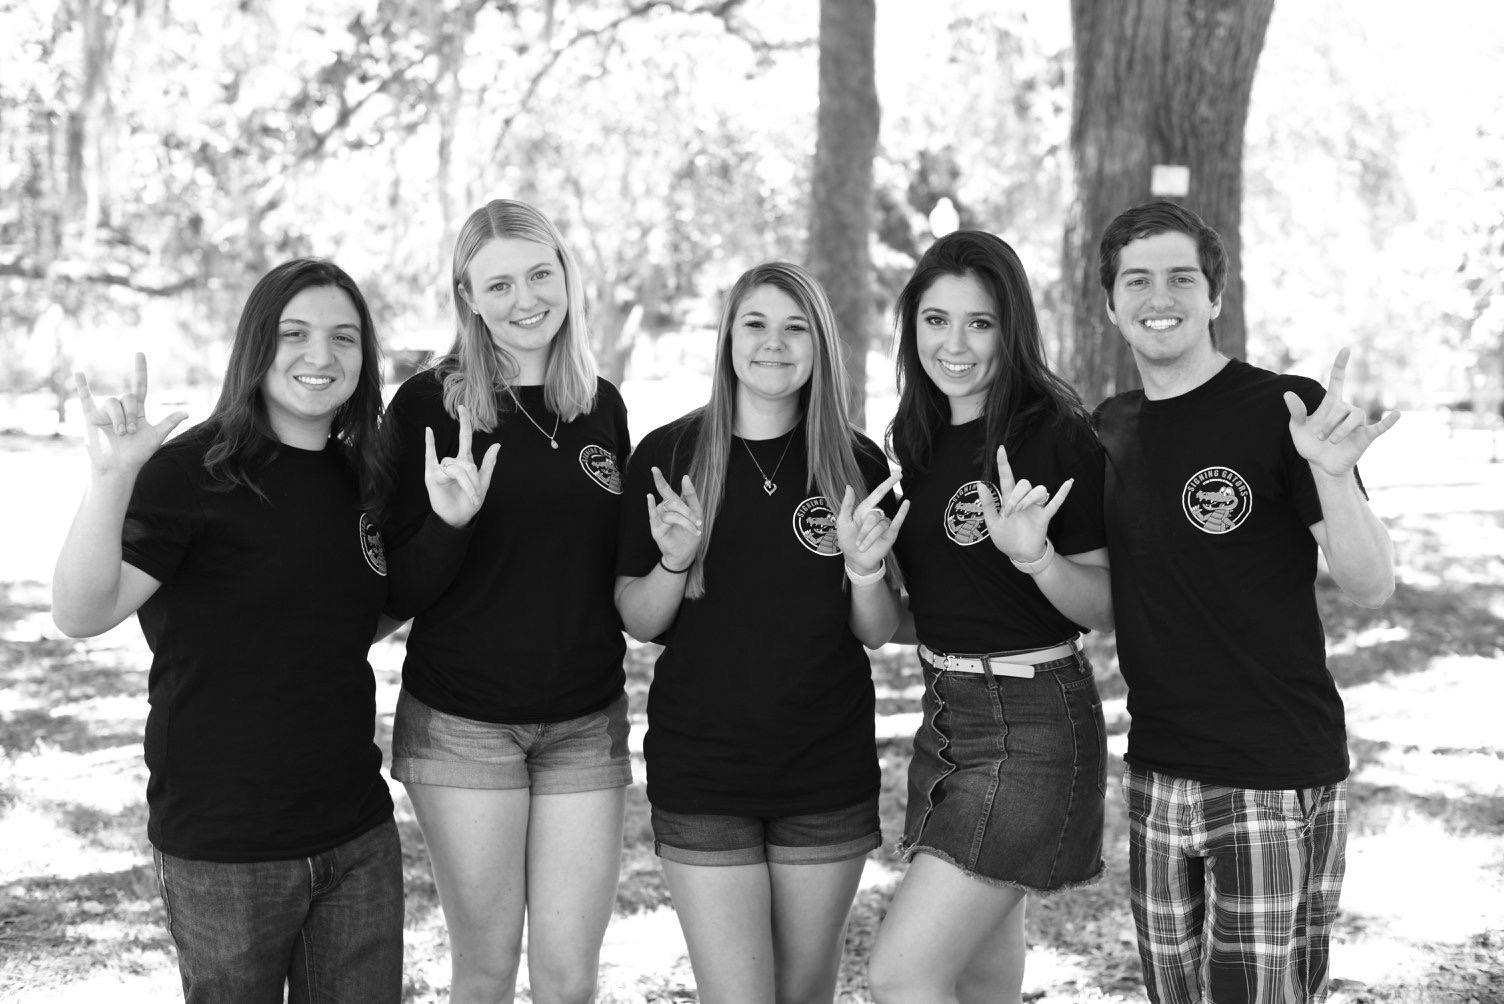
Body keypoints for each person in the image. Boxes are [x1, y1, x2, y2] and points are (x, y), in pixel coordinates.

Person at [49, 259, 450, 1002]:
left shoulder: (359, 478)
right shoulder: (190, 473)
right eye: (294, 334)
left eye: (344, 338)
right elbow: (81, 612)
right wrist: (110, 483)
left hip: (356, 833)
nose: (320, 356)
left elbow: (352, 619)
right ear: (256, 345)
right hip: (225, 846)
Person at [1092, 199, 1399, 1004]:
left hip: (1271, 767)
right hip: (1157, 769)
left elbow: (1371, 584)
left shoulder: (1282, 409)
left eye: (1182, 277)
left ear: (1216, 297)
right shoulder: (1108, 429)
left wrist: (1333, 477)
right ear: (1112, 302)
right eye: (1139, 279)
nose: (1161, 296)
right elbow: (1101, 597)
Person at [614, 261, 907, 1003]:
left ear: (820, 346)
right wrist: (676, 563)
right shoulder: (669, 456)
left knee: (804, 993)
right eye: (755, 324)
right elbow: (640, 619)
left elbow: (877, 631)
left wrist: (867, 572)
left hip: (824, 769)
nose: (773, 344)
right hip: (704, 771)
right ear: (727, 339)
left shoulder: (855, 460)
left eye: (794, 327)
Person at [380, 198, 631, 1003]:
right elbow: (397, 589)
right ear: (467, 298)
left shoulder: (601, 403)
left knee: (568, 978)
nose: (525, 300)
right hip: (463, 725)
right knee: (485, 969)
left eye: (539, 274)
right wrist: (451, 525)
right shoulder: (428, 406)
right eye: (498, 286)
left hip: (586, 722)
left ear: (566, 274)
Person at [867, 231, 1113, 1004]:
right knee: (976, 980)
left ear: (1012, 328)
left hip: (1034, 724)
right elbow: (908, 620)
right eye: (936, 320)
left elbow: (1104, 605)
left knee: (901, 976)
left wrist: (1037, 559)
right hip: (947, 722)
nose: (956, 344)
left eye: (980, 322)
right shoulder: (915, 439)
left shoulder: (1053, 432)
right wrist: (863, 568)